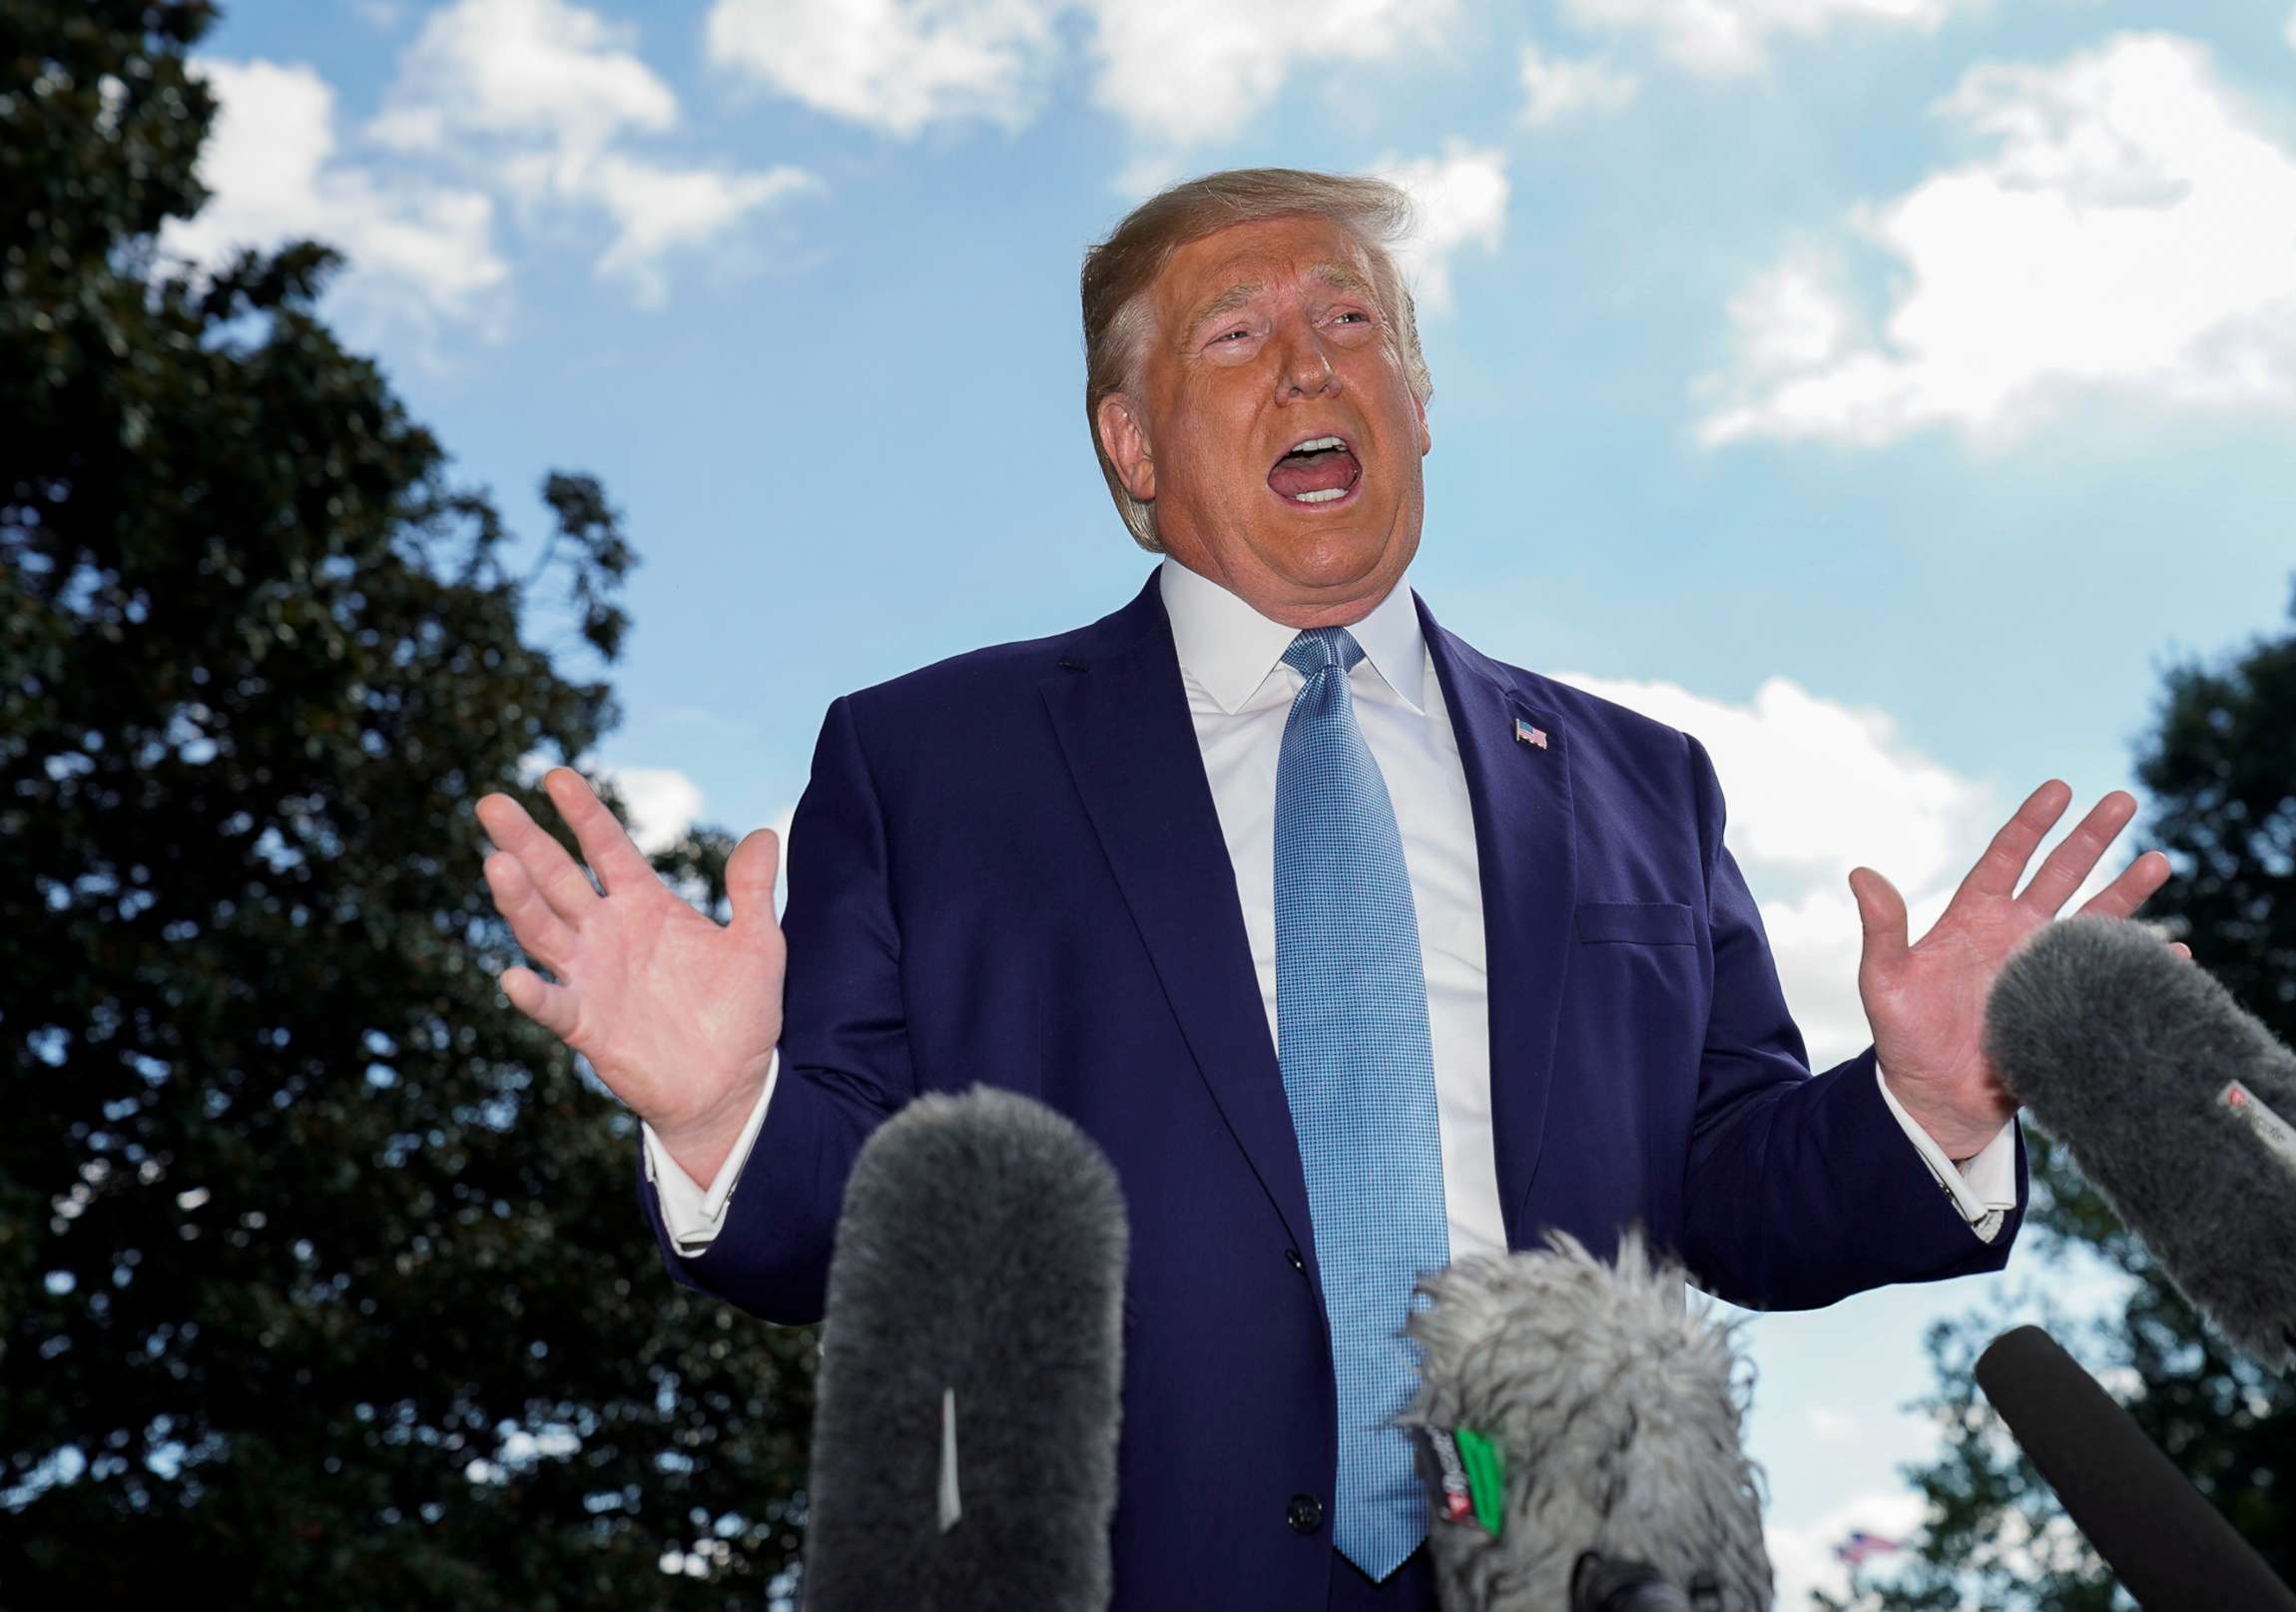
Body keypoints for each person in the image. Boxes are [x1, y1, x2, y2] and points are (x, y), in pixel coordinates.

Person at [473, 168, 2178, 1610]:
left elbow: (1726, 1191)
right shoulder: (930, 763)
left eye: (1352, 324)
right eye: (1239, 335)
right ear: (1131, 444)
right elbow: (864, 1211)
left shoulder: (1640, 779)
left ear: (1421, 407)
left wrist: (1927, 1105)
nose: (1310, 366)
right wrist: (724, 1118)